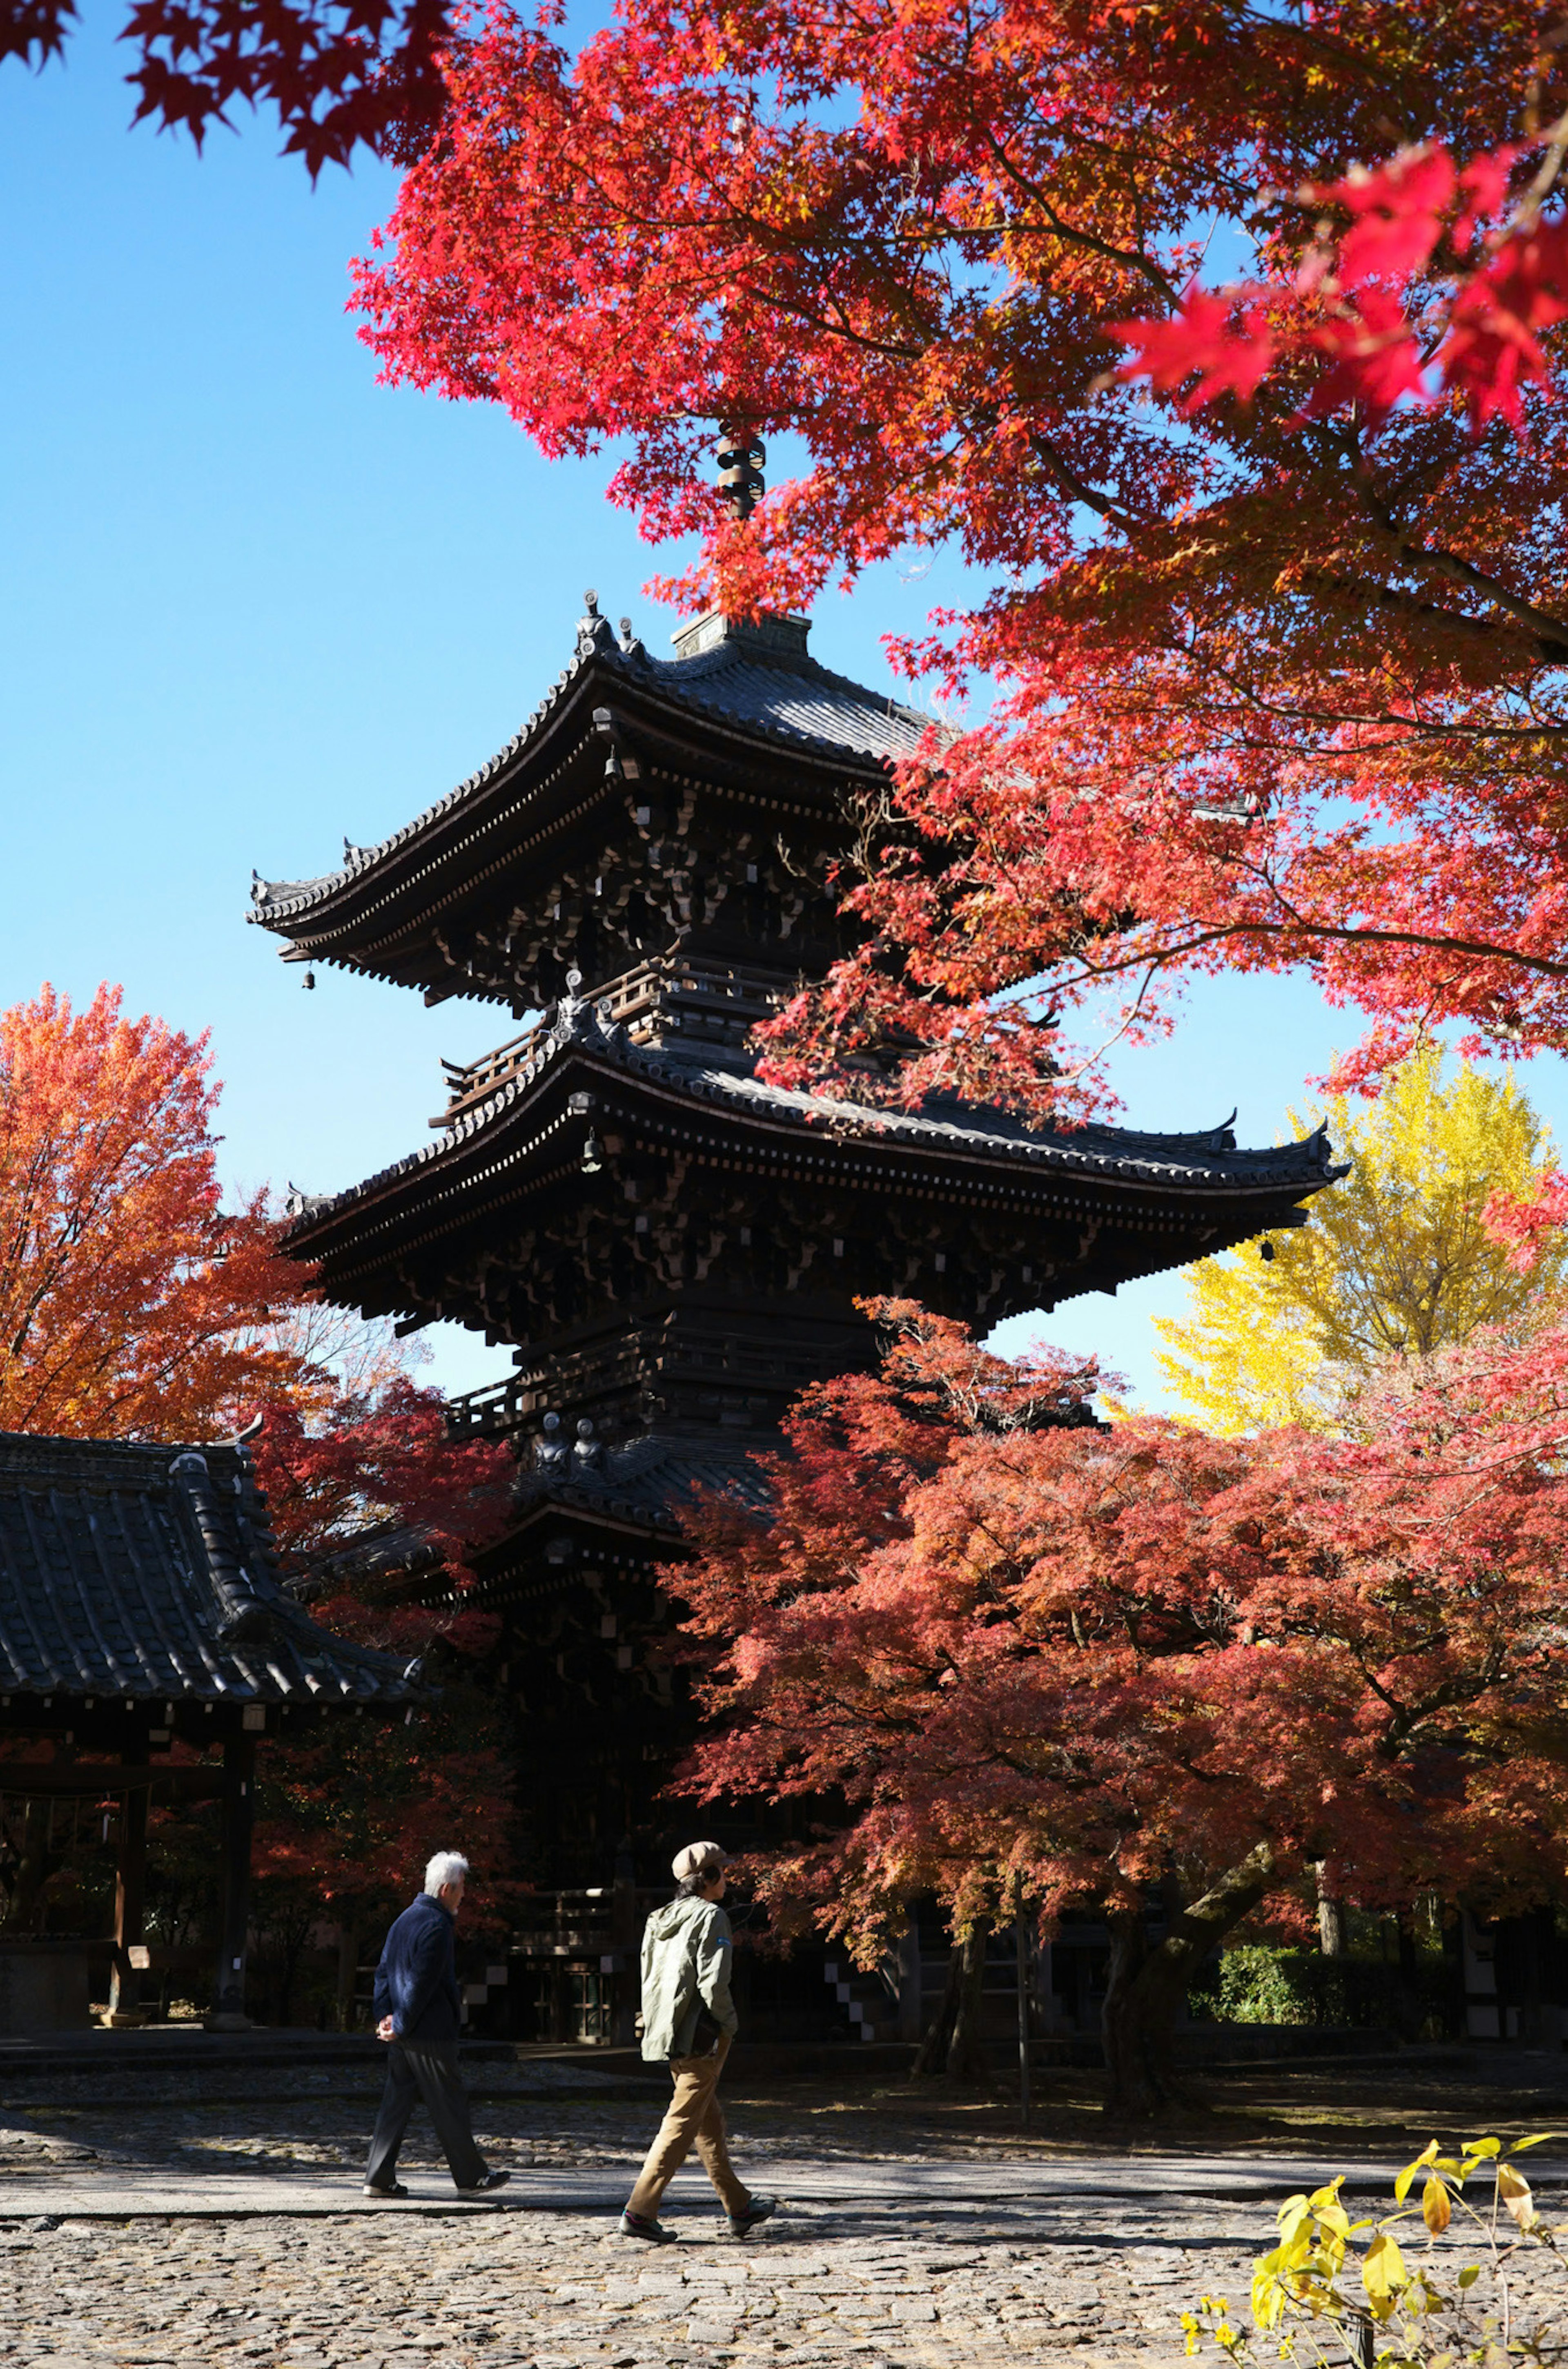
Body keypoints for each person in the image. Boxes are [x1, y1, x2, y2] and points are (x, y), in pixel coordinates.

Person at [619, 1840, 775, 2243]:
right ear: (706, 1878)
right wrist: (730, 2024)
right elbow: (714, 1983)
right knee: (681, 2123)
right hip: (702, 2036)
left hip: (667, 2032)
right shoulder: (712, 1916)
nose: (728, 1876)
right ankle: (640, 2211)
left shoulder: (658, 1917)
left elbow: (648, 1977)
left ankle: (739, 2206)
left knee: (708, 2120)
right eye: (723, 1870)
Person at [363, 1849, 510, 2199]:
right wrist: (398, 2023)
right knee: (450, 2104)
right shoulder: (436, 1926)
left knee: (396, 2105)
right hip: (427, 2033)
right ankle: (472, 2178)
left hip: (404, 2032)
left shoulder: (405, 1919)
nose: (464, 1896)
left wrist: (385, 2017)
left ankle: (378, 2177)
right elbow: (422, 1984)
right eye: (461, 1889)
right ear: (446, 1889)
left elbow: (383, 1973)